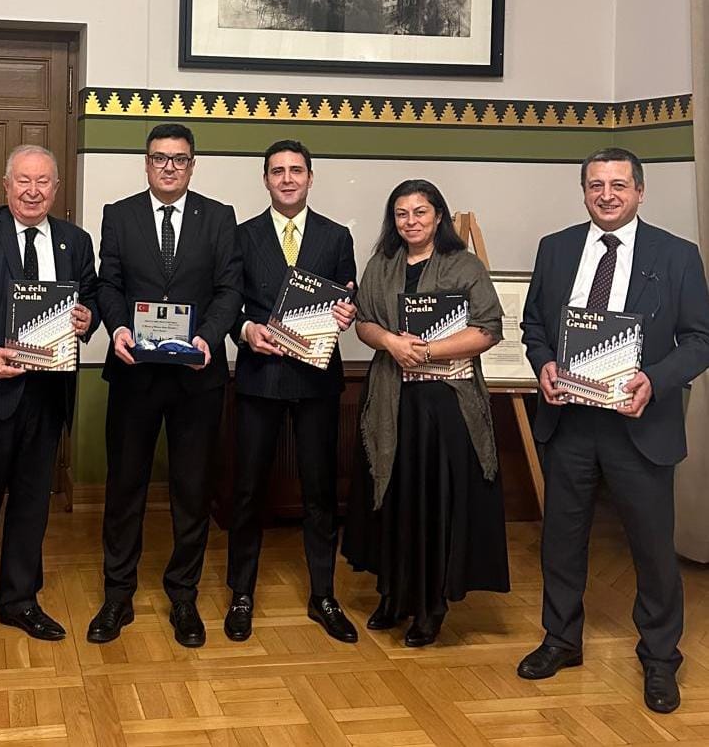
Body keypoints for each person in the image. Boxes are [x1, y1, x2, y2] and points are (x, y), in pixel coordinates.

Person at [517, 148, 709, 714]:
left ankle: (660, 656)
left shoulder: (677, 255)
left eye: (619, 184)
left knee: (652, 548)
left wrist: (654, 380)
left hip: (639, 424)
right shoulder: (555, 249)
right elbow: (533, 325)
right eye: (596, 184)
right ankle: (561, 639)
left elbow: (700, 340)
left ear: (640, 192)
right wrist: (543, 364)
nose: (607, 194)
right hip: (569, 422)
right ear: (583, 191)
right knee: (561, 540)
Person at [0, 145, 99, 667]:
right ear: (6, 185)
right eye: (23, 181)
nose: (33, 191)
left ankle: (20, 601)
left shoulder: (76, 241)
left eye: (43, 181)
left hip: (46, 398)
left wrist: (87, 318)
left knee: (31, 507)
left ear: (56, 188)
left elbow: (91, 300)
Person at [88, 123, 242, 648]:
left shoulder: (219, 217)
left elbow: (229, 289)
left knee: (192, 491)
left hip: (198, 377)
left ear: (192, 165)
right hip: (135, 373)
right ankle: (117, 596)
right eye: (159, 158)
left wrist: (207, 336)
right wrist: (118, 327)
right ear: (147, 163)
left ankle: (183, 597)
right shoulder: (119, 214)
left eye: (179, 158)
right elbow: (108, 284)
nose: (169, 167)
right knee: (124, 489)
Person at [342, 179, 508, 648]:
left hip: (445, 408)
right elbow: (364, 322)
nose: (410, 221)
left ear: (438, 216)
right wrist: (390, 342)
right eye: (401, 213)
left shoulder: (465, 265)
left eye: (420, 212)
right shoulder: (382, 264)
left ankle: (431, 607)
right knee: (394, 498)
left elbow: (488, 328)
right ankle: (393, 595)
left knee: (435, 503)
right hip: (392, 404)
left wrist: (428, 350)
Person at [224, 139, 359, 644]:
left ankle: (323, 595)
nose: (287, 179)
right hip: (259, 376)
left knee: (320, 492)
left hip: (316, 380)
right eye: (277, 171)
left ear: (309, 177)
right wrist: (245, 330)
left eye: (296, 170)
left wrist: (347, 312)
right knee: (247, 491)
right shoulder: (241, 236)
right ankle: (241, 593)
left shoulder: (336, 236)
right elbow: (228, 305)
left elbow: (348, 298)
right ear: (265, 179)